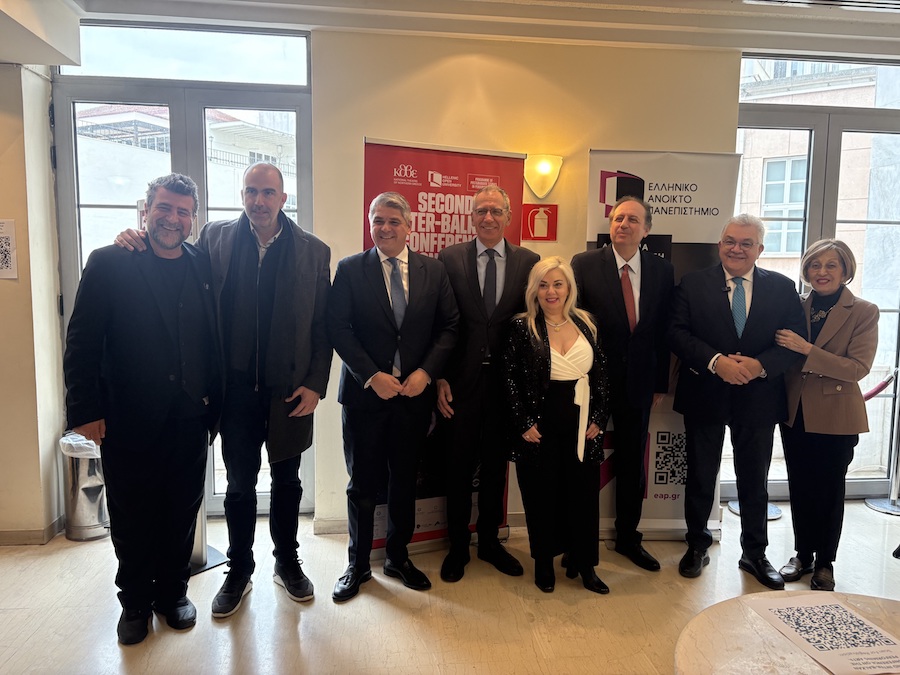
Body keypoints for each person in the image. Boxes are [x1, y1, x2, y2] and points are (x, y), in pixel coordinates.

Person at [116, 162, 332, 617]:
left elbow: (322, 325)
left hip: (290, 392)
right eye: (251, 191)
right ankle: (239, 570)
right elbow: (170, 256)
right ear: (242, 195)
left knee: (288, 482)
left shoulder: (313, 251)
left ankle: (287, 562)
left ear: (283, 198)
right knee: (238, 486)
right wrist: (134, 238)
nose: (259, 201)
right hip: (233, 393)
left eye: (268, 193)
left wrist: (316, 384)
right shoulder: (214, 238)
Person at [64, 174, 221, 644]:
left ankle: (172, 593)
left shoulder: (202, 263)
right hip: (126, 417)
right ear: (145, 211)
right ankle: (133, 601)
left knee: (182, 510)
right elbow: (82, 341)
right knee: (132, 514)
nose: (173, 218)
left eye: (183, 211)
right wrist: (84, 411)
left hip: (190, 416)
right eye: (164, 208)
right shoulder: (110, 261)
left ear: (193, 218)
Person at [327, 192, 459, 602]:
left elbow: (450, 326)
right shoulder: (351, 269)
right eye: (377, 220)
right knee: (362, 484)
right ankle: (358, 564)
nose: (384, 228)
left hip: (413, 397)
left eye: (393, 221)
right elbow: (337, 327)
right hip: (365, 398)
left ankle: (398, 557)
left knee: (404, 481)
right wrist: (371, 376)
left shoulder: (433, 270)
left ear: (409, 226)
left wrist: (426, 373)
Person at [668, 214, 806, 590]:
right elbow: (676, 332)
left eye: (746, 243)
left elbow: (794, 340)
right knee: (700, 475)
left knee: (754, 480)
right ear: (720, 245)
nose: (737, 249)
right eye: (730, 241)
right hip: (705, 393)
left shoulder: (782, 287)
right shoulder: (693, 283)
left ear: (760, 249)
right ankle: (697, 545)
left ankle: (755, 554)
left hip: (759, 397)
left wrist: (761, 366)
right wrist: (717, 362)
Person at [436, 185, 539, 583]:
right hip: (459, 384)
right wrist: (439, 376)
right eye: (481, 211)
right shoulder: (449, 259)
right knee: (457, 467)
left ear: (508, 216)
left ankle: (491, 542)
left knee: (497, 467)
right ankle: (458, 546)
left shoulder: (529, 262)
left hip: (505, 386)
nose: (488, 218)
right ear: (472, 217)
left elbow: (532, 324)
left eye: (496, 211)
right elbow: (439, 321)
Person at [571, 196, 674, 572]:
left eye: (632, 219)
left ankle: (629, 538)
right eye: (617, 218)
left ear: (646, 230)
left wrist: (659, 382)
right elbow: (574, 324)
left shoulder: (662, 270)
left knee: (632, 465)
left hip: (640, 383)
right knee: (583, 462)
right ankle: (577, 542)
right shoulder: (584, 264)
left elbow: (663, 330)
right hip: (592, 382)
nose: (623, 225)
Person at [774, 239, 878, 592]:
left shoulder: (864, 311)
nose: (822, 272)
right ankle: (802, 554)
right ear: (806, 270)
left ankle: (825, 562)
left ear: (845, 270)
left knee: (829, 491)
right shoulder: (794, 305)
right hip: (796, 412)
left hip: (837, 415)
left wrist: (807, 349)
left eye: (831, 265)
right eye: (815, 265)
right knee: (800, 486)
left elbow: (857, 368)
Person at [502, 256, 610, 594]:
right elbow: (508, 378)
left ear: (569, 288)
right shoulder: (522, 326)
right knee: (542, 495)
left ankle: (585, 564)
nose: (551, 291)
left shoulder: (587, 322)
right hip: (539, 423)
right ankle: (544, 563)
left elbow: (601, 375)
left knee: (583, 495)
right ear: (534, 290)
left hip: (582, 424)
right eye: (544, 285)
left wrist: (599, 417)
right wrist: (522, 422)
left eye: (558, 284)